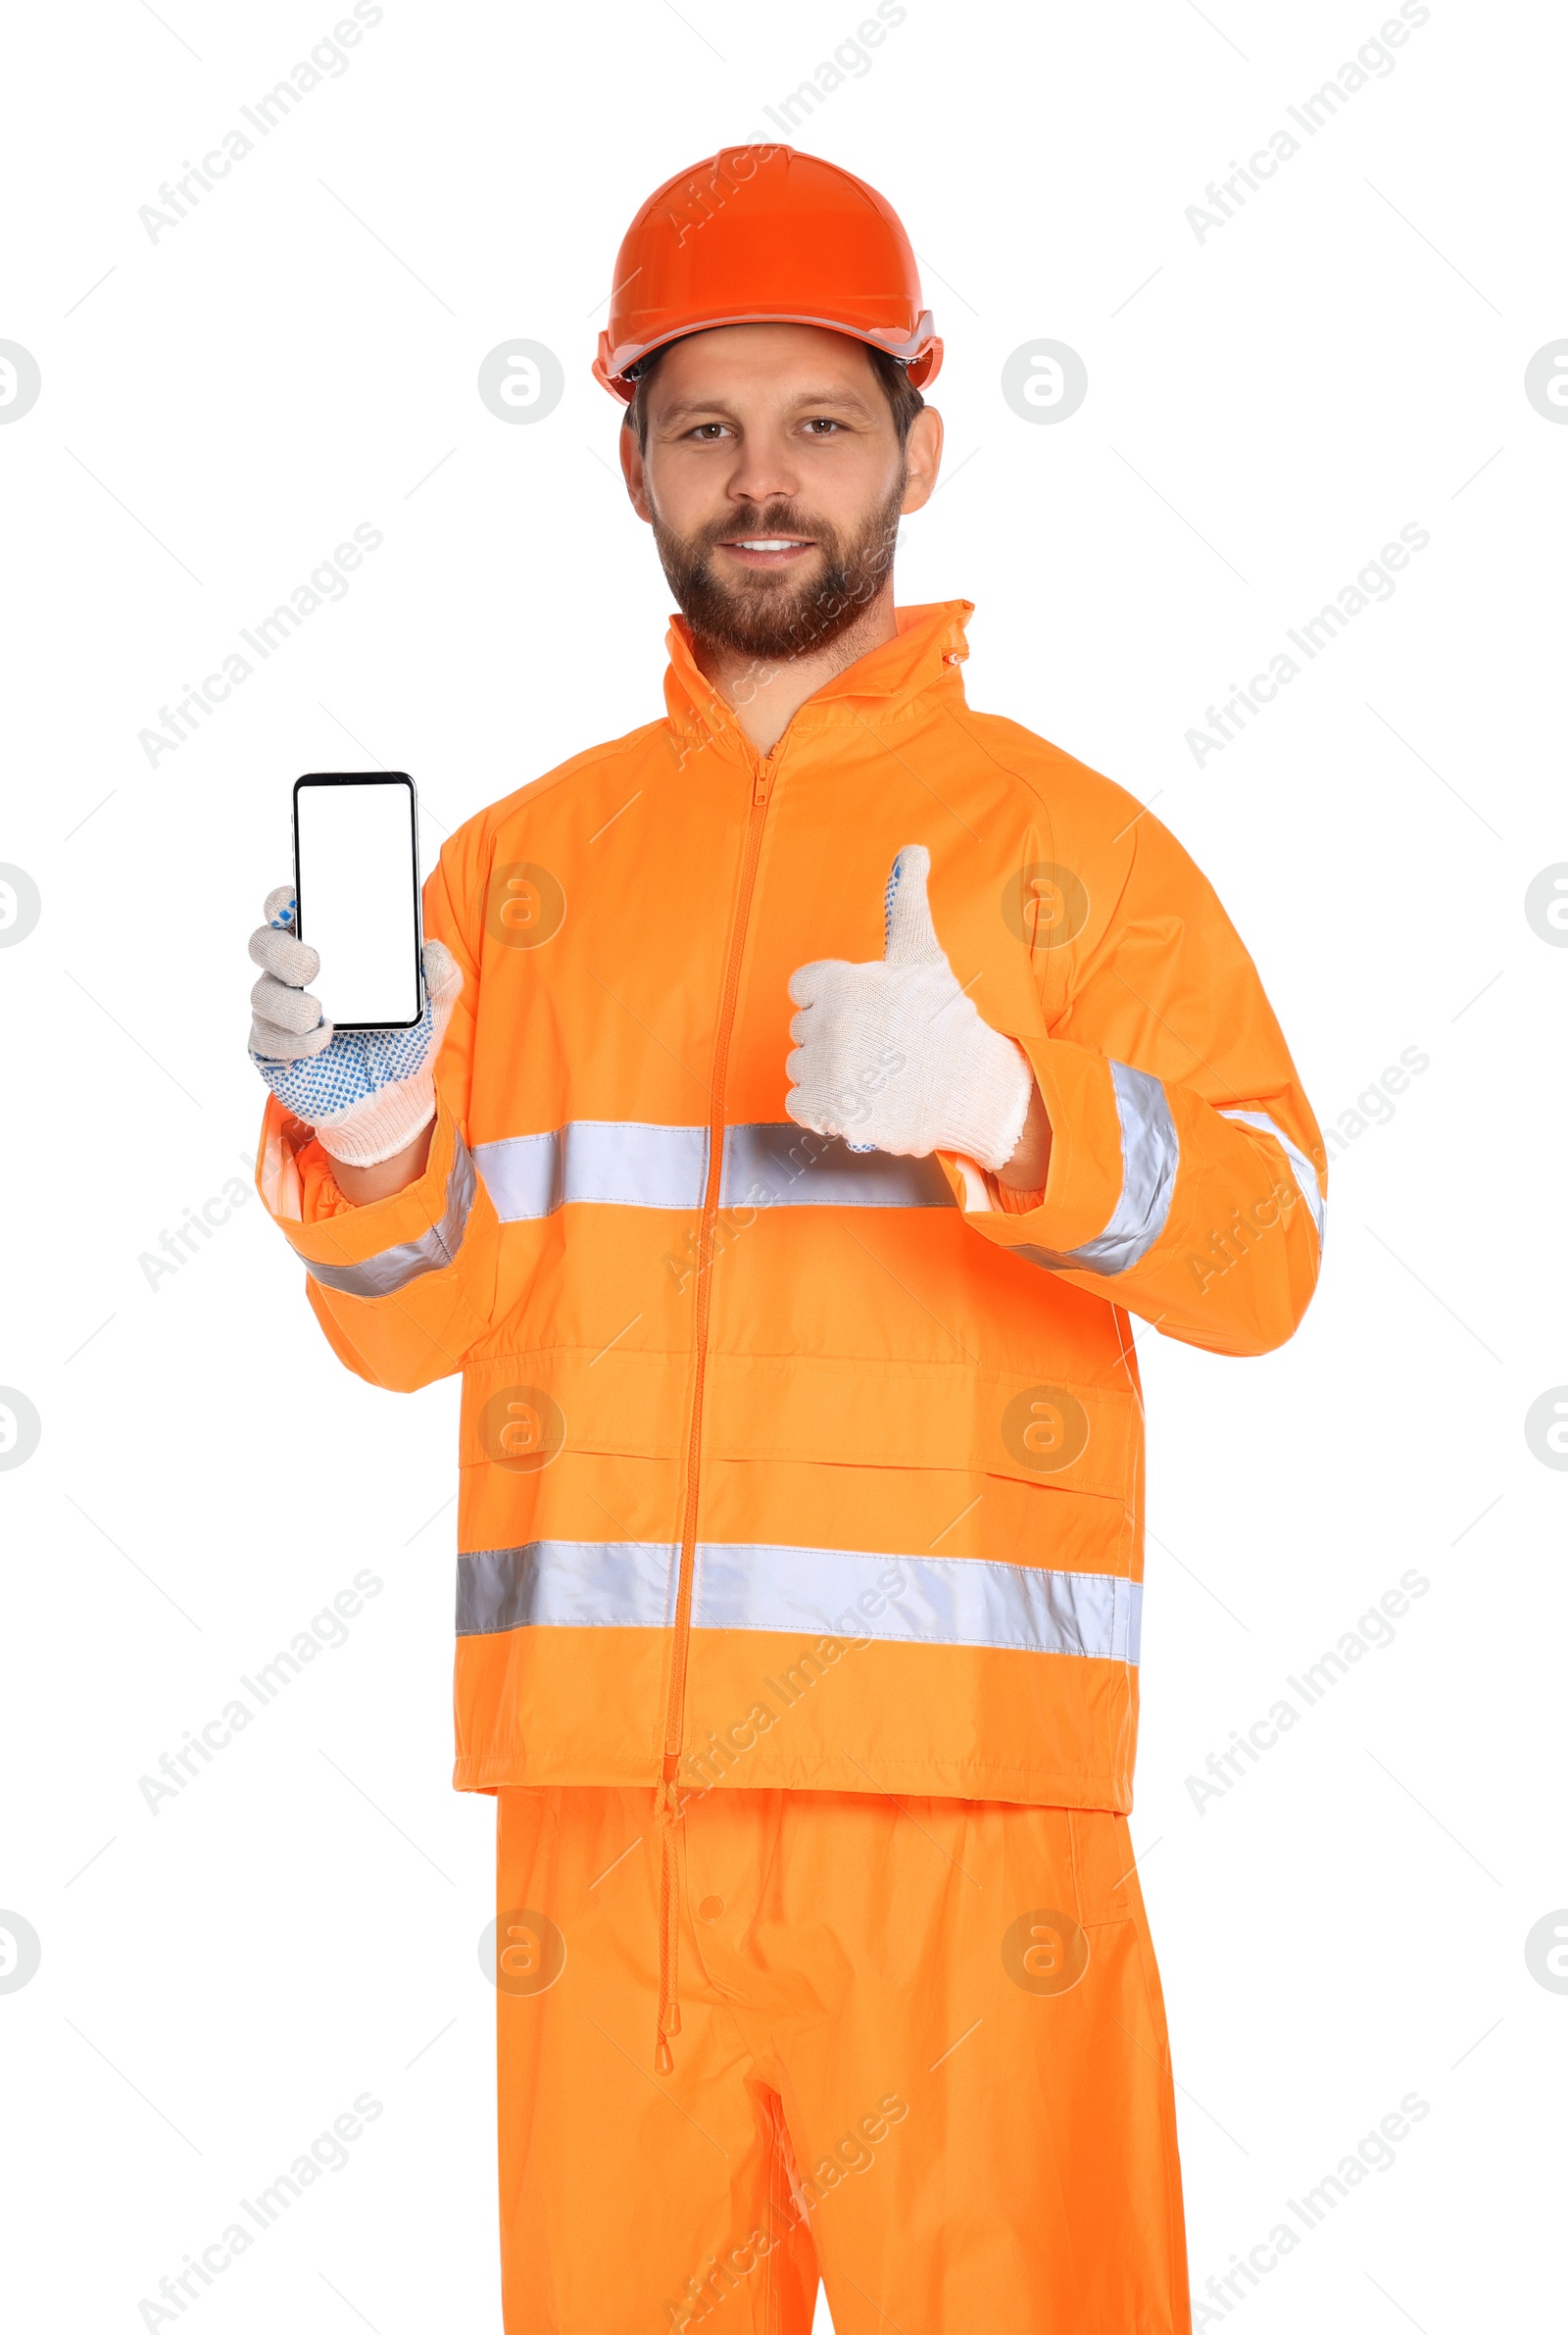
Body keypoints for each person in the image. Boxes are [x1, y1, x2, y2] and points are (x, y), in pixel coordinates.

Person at [247, 145, 1325, 2335]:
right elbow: (415, 1331)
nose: (765, 480)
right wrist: (365, 1155)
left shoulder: (1069, 856)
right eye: (705, 426)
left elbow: (1271, 1254)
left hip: (962, 1842)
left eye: (820, 423)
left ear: (916, 448)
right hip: (599, 1838)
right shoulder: (512, 878)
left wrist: (1019, 1116)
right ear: (630, 459)